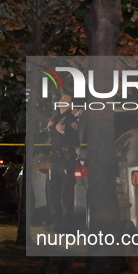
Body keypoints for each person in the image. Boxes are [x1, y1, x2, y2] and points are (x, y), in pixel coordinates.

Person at [45, 94, 80, 233]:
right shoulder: (55, 119)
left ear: (70, 104)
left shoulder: (71, 120)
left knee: (66, 194)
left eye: (65, 100)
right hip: (55, 160)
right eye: (61, 99)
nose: (62, 101)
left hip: (66, 161)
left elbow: (75, 141)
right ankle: (56, 224)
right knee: (53, 194)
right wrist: (50, 129)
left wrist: (64, 132)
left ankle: (67, 226)